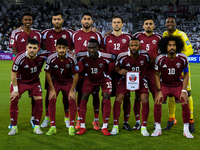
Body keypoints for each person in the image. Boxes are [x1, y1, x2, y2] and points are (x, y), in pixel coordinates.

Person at [152, 36, 194, 138]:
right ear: (165, 47)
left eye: (174, 45)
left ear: (177, 46)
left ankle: (186, 129)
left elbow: (186, 75)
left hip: (177, 85)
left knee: (185, 100)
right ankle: (158, 127)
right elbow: (156, 74)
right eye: (169, 45)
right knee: (158, 100)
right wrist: (159, 90)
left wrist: (184, 90)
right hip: (164, 85)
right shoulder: (160, 58)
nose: (172, 47)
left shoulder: (183, 58)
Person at [8, 11, 42, 129]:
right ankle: (13, 122)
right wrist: (22, 62)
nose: (27, 22)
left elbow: (41, 49)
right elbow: (13, 50)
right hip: (20, 72)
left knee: (35, 98)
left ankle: (33, 119)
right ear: (22, 21)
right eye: (25, 20)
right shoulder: (16, 33)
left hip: (32, 72)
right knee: (15, 97)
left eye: (29, 20)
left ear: (32, 21)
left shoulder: (37, 33)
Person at [110, 38, 150, 136]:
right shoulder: (122, 56)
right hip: (125, 80)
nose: (134, 47)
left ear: (139, 46)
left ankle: (143, 127)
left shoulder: (145, 55)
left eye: (136, 45)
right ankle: (115, 126)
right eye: (132, 45)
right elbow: (116, 66)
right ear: (129, 47)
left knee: (144, 98)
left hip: (140, 80)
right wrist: (119, 71)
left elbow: (149, 64)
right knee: (119, 98)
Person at [8, 39, 49, 135]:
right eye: (30, 47)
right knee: (14, 99)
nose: (32, 50)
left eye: (34, 48)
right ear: (26, 47)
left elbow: (55, 52)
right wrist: (15, 90)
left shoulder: (42, 56)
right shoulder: (20, 57)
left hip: (34, 82)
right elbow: (13, 74)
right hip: (20, 81)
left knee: (39, 101)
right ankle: (14, 126)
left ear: (38, 49)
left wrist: (69, 51)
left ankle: (37, 126)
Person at [40, 11, 73, 128]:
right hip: (51, 68)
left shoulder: (69, 33)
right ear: (52, 20)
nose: (57, 21)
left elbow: (74, 46)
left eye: (59, 19)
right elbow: (38, 43)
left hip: (66, 67)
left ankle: (67, 118)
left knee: (66, 95)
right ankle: (47, 118)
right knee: (49, 94)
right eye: (55, 19)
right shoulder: (45, 33)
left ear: (62, 20)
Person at [163, 16, 195, 133]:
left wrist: (177, 58)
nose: (170, 23)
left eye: (172, 22)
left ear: (175, 24)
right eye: (168, 22)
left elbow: (190, 50)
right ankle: (172, 118)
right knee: (171, 94)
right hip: (169, 69)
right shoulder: (164, 35)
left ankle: (191, 120)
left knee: (188, 93)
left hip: (182, 69)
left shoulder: (181, 34)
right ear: (165, 24)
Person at [72, 12, 104, 130]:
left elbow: (102, 49)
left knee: (95, 94)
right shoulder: (74, 34)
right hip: (80, 70)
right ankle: (80, 119)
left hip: (94, 69)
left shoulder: (98, 35)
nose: (86, 21)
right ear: (81, 21)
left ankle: (96, 120)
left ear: (92, 21)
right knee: (80, 94)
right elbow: (70, 48)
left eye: (88, 19)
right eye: (84, 19)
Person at [75, 39, 112, 136]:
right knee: (83, 97)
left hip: (104, 78)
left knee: (107, 96)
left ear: (98, 48)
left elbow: (118, 60)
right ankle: (82, 126)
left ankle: (104, 127)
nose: (91, 50)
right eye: (89, 48)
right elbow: (73, 57)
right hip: (89, 78)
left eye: (94, 48)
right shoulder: (81, 55)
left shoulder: (107, 56)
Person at [132, 17, 162, 131]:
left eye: (150, 24)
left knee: (156, 96)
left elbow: (162, 53)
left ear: (154, 26)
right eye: (146, 24)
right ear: (143, 26)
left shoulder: (159, 37)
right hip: (140, 70)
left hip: (154, 71)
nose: (148, 25)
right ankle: (138, 122)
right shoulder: (137, 36)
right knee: (138, 96)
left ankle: (157, 122)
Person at [44, 38, 78, 136]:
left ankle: (71, 126)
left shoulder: (72, 58)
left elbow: (76, 75)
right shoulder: (51, 58)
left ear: (67, 48)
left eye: (64, 48)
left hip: (68, 82)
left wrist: (72, 90)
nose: (62, 50)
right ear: (56, 48)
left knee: (72, 99)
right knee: (52, 99)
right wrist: (52, 89)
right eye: (59, 48)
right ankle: (53, 126)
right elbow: (48, 74)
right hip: (56, 82)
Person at [104, 15, 132, 131]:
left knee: (126, 97)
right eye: (114, 22)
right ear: (111, 24)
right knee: (106, 96)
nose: (116, 24)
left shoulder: (128, 37)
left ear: (122, 24)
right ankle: (105, 122)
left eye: (118, 22)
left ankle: (126, 121)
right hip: (109, 71)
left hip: (123, 71)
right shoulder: (106, 38)